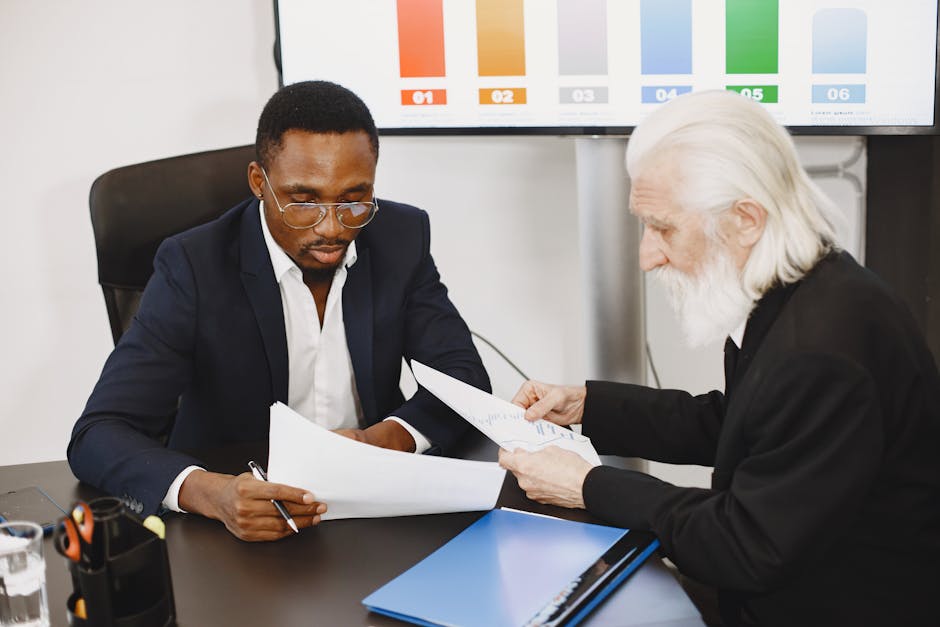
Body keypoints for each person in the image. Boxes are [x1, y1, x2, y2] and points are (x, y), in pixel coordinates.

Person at [499, 90, 940, 626]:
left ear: (745, 220)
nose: (646, 255)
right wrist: (588, 406)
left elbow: (748, 545)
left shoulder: (820, 350)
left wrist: (588, 483)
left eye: (663, 227)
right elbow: (739, 424)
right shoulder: (800, 286)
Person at [69, 80, 489, 542]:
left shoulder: (400, 236)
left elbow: (463, 378)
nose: (332, 229)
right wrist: (213, 493)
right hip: (239, 523)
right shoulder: (194, 265)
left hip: (371, 511)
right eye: (304, 201)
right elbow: (100, 432)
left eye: (354, 198)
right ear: (258, 182)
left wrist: (377, 442)